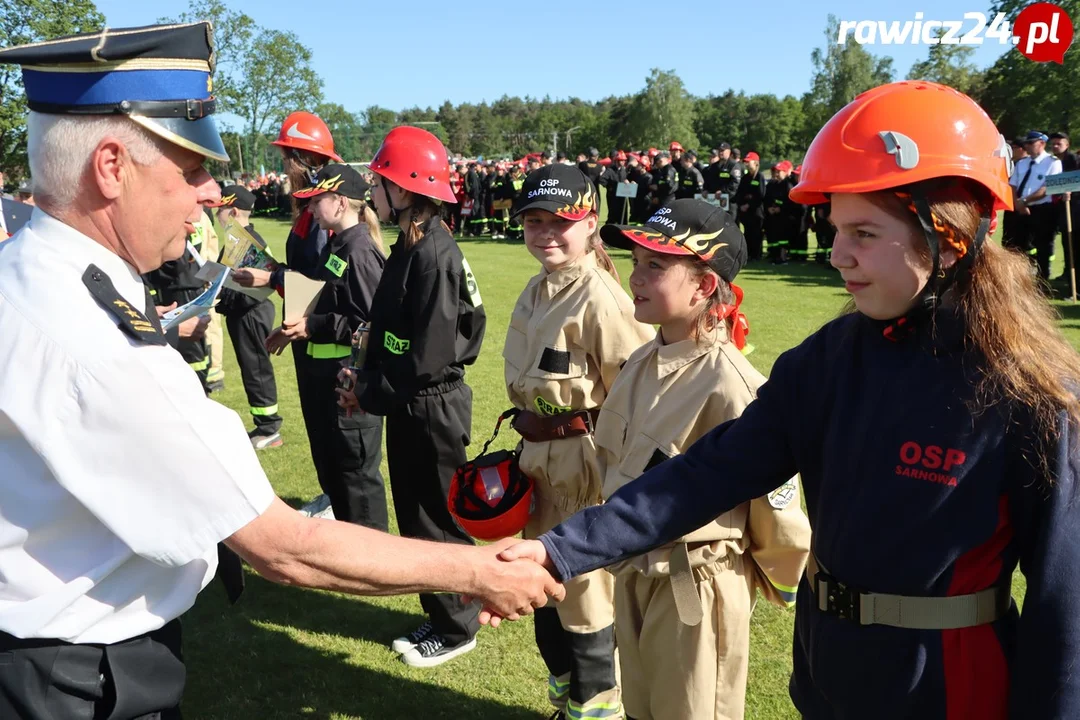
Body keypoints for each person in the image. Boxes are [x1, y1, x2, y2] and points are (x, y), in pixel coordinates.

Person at [0, 24, 562, 720]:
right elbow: (285, 549)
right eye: (191, 168)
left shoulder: (26, 273)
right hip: (74, 680)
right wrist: (478, 569)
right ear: (111, 167)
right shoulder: (100, 341)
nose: (211, 194)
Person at [498, 81, 1080, 719]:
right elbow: (707, 472)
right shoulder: (830, 359)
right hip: (828, 678)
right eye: (835, 229)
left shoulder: (1028, 389)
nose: (835, 256)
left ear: (949, 236)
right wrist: (561, 548)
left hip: (944, 691)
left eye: (863, 232)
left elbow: (1066, 606)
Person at [598, 198, 811, 719]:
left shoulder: (733, 385)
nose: (637, 277)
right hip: (633, 571)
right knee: (641, 710)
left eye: (656, 265)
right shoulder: (639, 362)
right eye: (636, 262)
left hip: (695, 584)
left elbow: (778, 509)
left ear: (704, 285)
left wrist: (776, 580)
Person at [503, 164, 655, 720]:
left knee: (586, 608)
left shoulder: (603, 300)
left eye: (560, 221)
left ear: (591, 223)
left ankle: (597, 711)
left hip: (585, 475)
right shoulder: (537, 288)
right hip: (539, 469)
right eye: (534, 221)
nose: (545, 233)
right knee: (544, 599)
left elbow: (636, 400)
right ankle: (568, 706)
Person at [337, 126, 489, 668]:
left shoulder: (434, 255)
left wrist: (370, 392)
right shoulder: (411, 244)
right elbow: (391, 332)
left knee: (437, 519)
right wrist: (369, 379)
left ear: (404, 190)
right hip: (409, 400)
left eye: (380, 179)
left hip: (430, 404)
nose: (371, 189)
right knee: (417, 517)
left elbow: (427, 355)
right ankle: (442, 607)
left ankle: (458, 625)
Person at [266, 164, 389, 531]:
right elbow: (327, 303)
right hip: (325, 379)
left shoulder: (361, 251)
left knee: (357, 478)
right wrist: (294, 328)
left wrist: (310, 326)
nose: (309, 210)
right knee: (335, 470)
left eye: (316, 201)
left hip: (348, 382)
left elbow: (368, 323)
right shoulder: (337, 245)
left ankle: (373, 560)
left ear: (339, 204)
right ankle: (350, 554)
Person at [208, 186, 285, 449]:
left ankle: (269, 428)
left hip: (251, 312)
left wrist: (223, 293)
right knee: (251, 369)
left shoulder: (246, 240)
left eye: (220, 211)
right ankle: (263, 423)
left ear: (233, 211)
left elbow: (258, 286)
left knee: (257, 369)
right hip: (243, 311)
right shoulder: (236, 238)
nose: (217, 216)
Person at [1010, 130, 1062, 283]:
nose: (1027, 146)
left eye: (1031, 143)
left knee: (1043, 246)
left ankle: (1042, 281)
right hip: (1020, 209)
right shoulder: (1022, 163)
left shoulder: (1053, 162)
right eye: (1026, 143)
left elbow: (1046, 188)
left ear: (1042, 144)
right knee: (1017, 245)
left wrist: (1024, 201)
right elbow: (1012, 185)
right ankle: (1019, 279)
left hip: (1042, 210)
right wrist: (1017, 203)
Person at [734, 151, 767, 260]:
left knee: (757, 233)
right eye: (746, 162)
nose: (747, 164)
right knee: (747, 233)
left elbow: (761, 194)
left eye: (749, 162)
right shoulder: (745, 178)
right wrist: (742, 204)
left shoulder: (760, 177)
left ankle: (757, 254)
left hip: (756, 211)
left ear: (756, 163)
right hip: (746, 213)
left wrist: (749, 204)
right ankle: (748, 254)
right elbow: (740, 193)